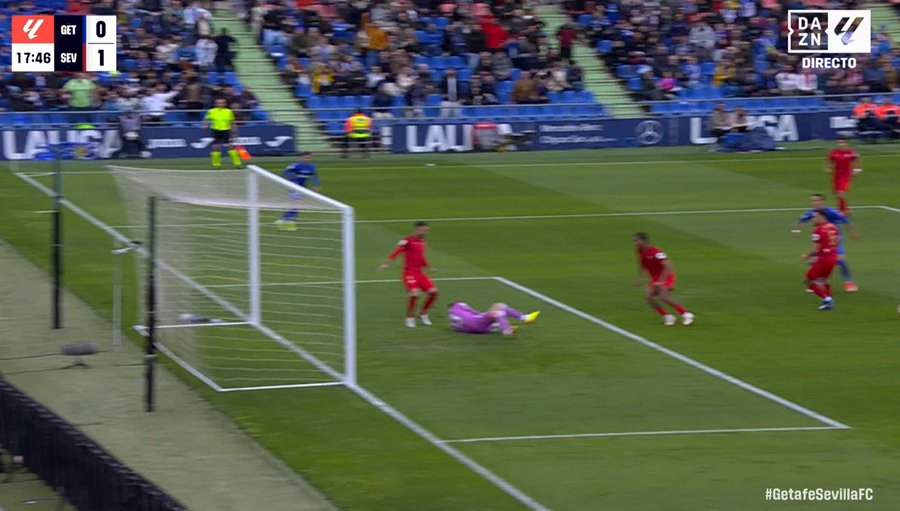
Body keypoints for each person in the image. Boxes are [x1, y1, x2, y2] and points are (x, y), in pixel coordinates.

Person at [793, 194, 859, 292]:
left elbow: (845, 220)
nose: (815, 203)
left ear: (822, 202)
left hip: (834, 240)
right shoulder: (811, 212)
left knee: (840, 260)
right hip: (821, 240)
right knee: (813, 260)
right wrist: (796, 230)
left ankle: (848, 282)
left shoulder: (831, 212)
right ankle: (817, 281)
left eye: (817, 200)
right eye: (813, 201)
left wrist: (853, 233)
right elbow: (801, 220)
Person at [378, 221, 438, 328]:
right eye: (423, 230)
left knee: (434, 292)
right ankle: (409, 318)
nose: (425, 232)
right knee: (415, 293)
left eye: (426, 230)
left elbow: (421, 257)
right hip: (409, 274)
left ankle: (423, 313)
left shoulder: (422, 242)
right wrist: (386, 264)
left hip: (420, 274)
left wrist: (429, 267)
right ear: (416, 230)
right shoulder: (406, 240)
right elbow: (397, 251)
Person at [633, 233, 695, 326]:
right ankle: (667, 316)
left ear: (643, 241)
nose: (635, 243)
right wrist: (640, 277)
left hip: (666, 275)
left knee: (663, 296)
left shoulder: (656, 252)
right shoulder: (639, 251)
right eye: (634, 241)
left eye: (636, 241)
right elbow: (642, 263)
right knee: (648, 297)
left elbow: (668, 266)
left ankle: (686, 314)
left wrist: (661, 281)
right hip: (655, 278)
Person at [802, 210, 841, 310]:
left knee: (806, 280)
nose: (813, 219)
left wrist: (807, 256)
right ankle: (828, 302)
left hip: (824, 259)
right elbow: (838, 241)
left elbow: (815, 250)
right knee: (824, 280)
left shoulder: (818, 230)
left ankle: (827, 299)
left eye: (815, 217)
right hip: (833, 257)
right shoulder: (833, 226)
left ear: (822, 216)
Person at [275, 152, 320, 231]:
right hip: (294, 187)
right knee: (296, 204)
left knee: (294, 204)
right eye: (305, 158)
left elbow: (314, 176)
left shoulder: (312, 167)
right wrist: (292, 181)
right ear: (302, 158)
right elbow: (285, 171)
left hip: (302, 188)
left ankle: (282, 220)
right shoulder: (296, 165)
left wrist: (316, 185)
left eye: (309, 158)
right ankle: (290, 222)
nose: (307, 159)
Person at [448, 302, 540, 337]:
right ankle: (509, 329)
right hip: (476, 324)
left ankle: (509, 327)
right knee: (499, 306)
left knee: (497, 313)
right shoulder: (459, 305)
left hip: (474, 328)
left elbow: (456, 327)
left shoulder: (452, 315)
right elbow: (474, 312)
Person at [203, 97, 242, 168]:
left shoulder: (229, 111)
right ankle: (216, 165)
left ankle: (237, 164)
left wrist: (235, 132)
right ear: (215, 104)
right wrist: (205, 125)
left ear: (225, 104)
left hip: (226, 131)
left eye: (222, 103)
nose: (220, 104)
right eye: (218, 103)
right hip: (216, 131)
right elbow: (206, 119)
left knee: (231, 147)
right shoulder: (211, 111)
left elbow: (232, 122)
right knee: (215, 147)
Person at [825, 138, 860, 216]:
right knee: (838, 193)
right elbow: (828, 159)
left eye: (842, 142)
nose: (840, 144)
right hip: (836, 175)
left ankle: (845, 209)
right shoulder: (833, 152)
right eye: (838, 143)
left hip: (846, 175)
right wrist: (827, 167)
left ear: (846, 143)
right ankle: (842, 209)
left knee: (841, 192)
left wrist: (857, 169)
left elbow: (857, 159)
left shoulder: (851, 152)